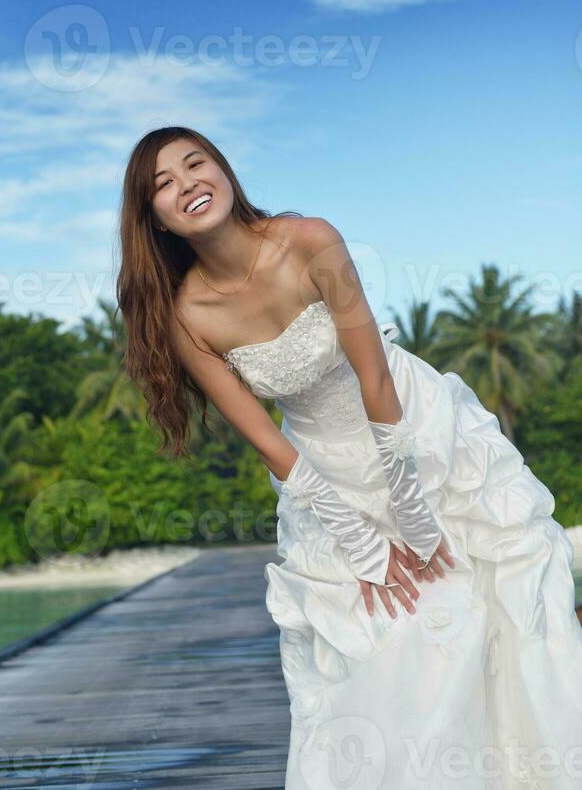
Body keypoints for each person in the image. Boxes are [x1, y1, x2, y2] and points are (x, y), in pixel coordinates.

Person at [116, 125, 582, 790]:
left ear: (223, 169)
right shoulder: (187, 314)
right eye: (163, 184)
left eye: (196, 164)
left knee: (499, 603)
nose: (186, 184)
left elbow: (377, 382)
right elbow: (272, 445)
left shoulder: (309, 240)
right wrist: (361, 543)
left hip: (412, 430)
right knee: (395, 640)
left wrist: (414, 513)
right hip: (322, 474)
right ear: (154, 218)